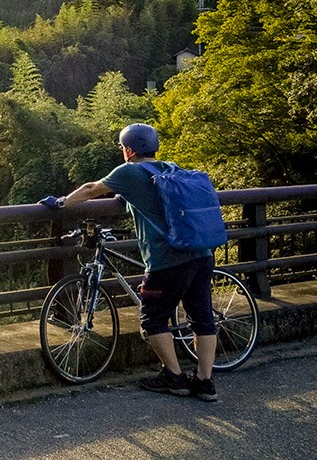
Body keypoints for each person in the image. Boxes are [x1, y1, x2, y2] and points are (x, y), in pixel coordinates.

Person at [39, 123, 219, 402]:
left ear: (130, 149)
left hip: (168, 260)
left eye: (123, 147)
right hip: (201, 253)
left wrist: (61, 202)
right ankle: (205, 382)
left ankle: (174, 377)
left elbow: (90, 190)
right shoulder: (169, 168)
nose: (123, 151)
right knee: (202, 317)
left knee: (152, 317)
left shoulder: (129, 171)